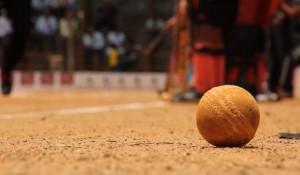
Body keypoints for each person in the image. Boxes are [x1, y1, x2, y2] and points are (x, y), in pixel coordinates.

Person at [0, 0, 32, 95]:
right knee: (8, 50)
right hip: (10, 22)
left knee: (19, 49)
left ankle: (6, 71)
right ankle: (6, 79)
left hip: (23, 24)